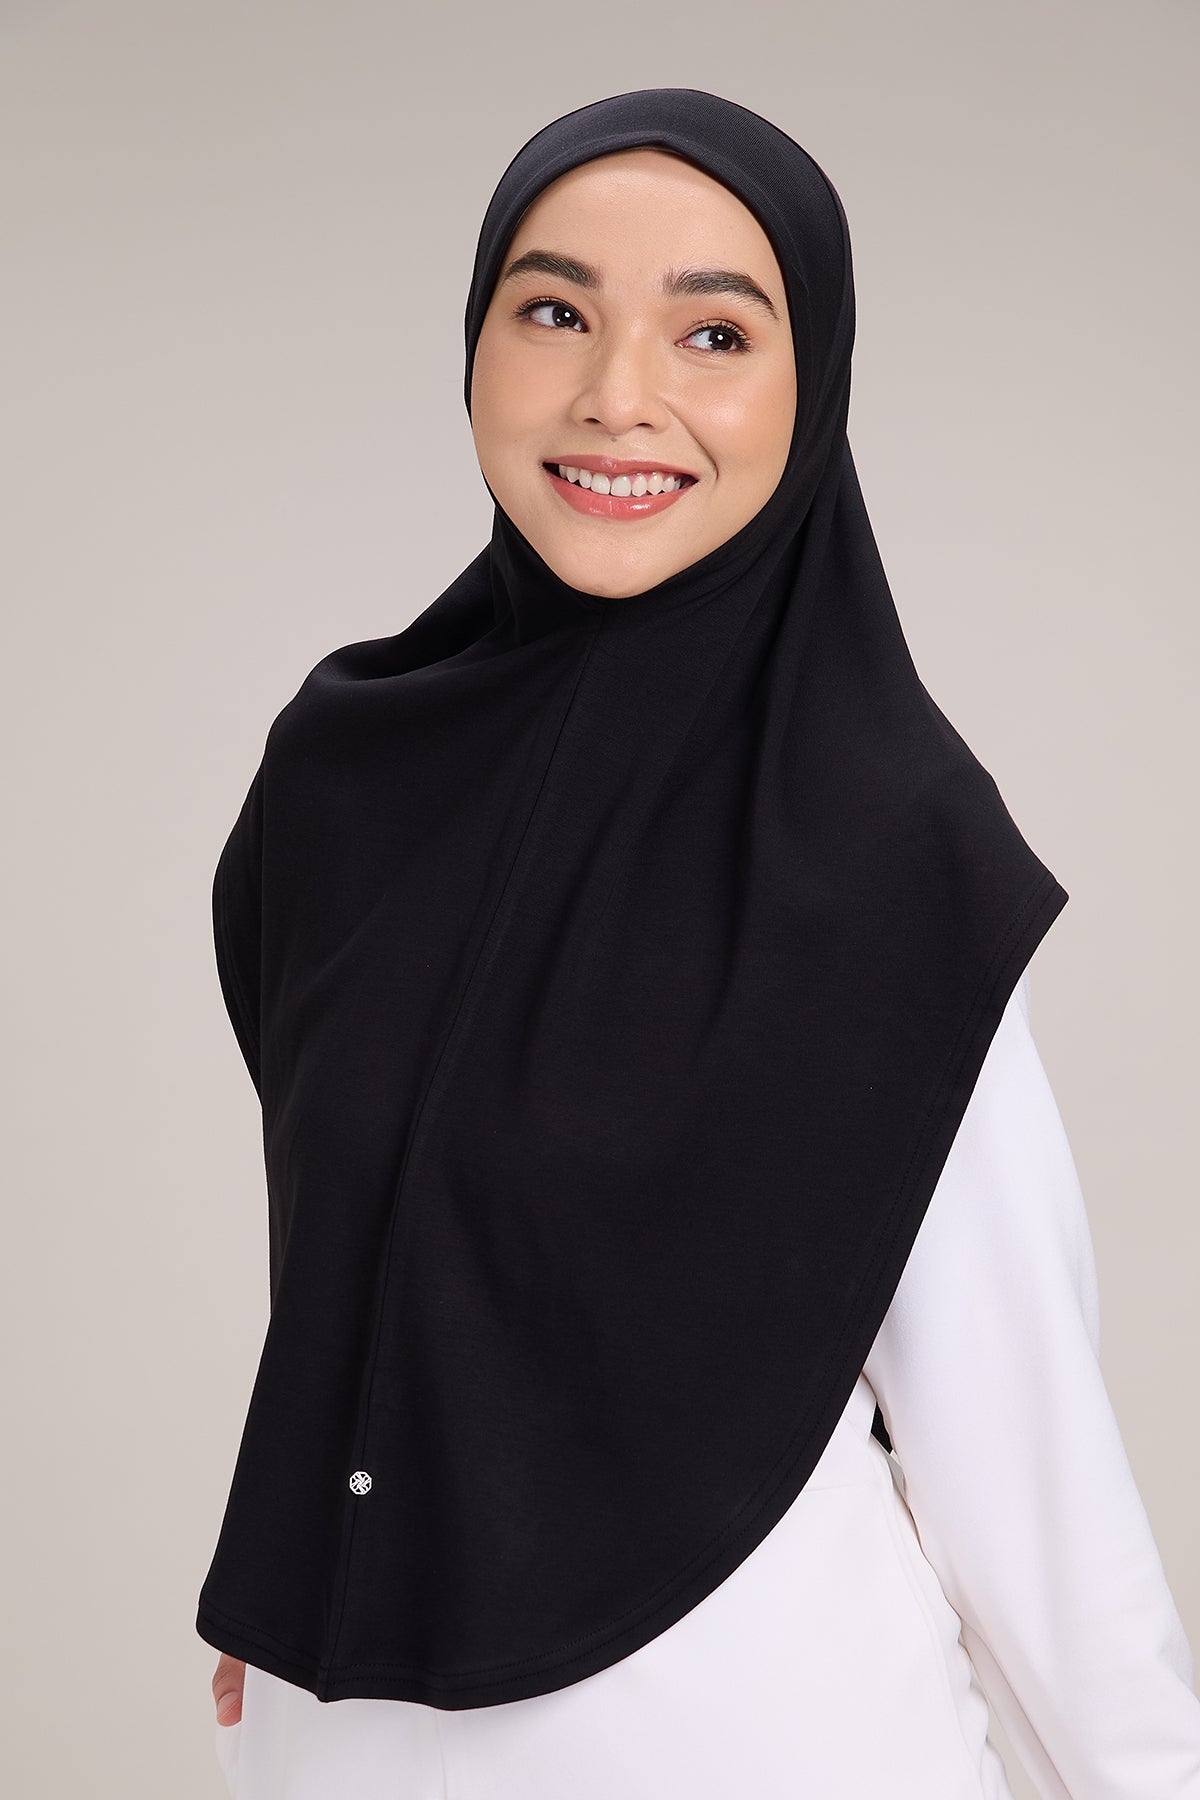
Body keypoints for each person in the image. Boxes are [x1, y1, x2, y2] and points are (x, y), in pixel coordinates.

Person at [202, 89, 1200, 1796]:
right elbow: (382, 1231)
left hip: (762, 1742)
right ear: (475, 344)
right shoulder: (343, 781)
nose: (618, 394)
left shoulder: (881, 848)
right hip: (351, 1737)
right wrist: (318, 1532)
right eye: (556, 311)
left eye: (715, 332)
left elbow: (1024, 1459)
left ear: (814, 390)